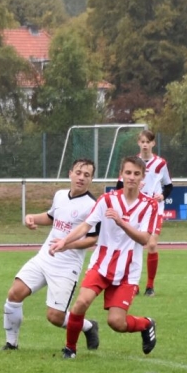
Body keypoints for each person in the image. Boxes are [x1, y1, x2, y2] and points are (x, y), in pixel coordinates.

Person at [50, 156, 160, 359]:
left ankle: (146, 324)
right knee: (81, 303)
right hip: (101, 265)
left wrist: (121, 222)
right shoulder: (107, 199)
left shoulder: (149, 205)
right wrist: (64, 241)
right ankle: (70, 349)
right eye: (128, 173)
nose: (132, 177)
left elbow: (144, 239)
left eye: (136, 174)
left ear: (142, 177)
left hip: (128, 271)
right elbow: (86, 226)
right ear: (121, 175)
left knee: (116, 323)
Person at [1, 159, 100, 351]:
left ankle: (88, 326)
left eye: (87, 175)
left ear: (91, 179)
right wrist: (31, 217)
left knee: (55, 317)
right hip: (44, 258)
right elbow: (51, 217)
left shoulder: (93, 205)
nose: (81, 177)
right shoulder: (60, 195)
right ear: (70, 173)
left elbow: (92, 239)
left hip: (67, 266)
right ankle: (11, 344)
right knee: (14, 293)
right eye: (78, 173)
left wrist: (67, 245)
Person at [115, 130, 172, 297]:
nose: (145, 145)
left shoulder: (160, 163)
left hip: (154, 209)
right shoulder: (132, 163)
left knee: (152, 245)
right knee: (133, 246)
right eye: (142, 142)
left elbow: (168, 186)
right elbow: (119, 186)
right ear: (138, 143)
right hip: (136, 209)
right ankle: (133, 284)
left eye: (148, 142)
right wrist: (131, 186)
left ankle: (150, 286)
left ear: (153, 143)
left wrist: (162, 196)